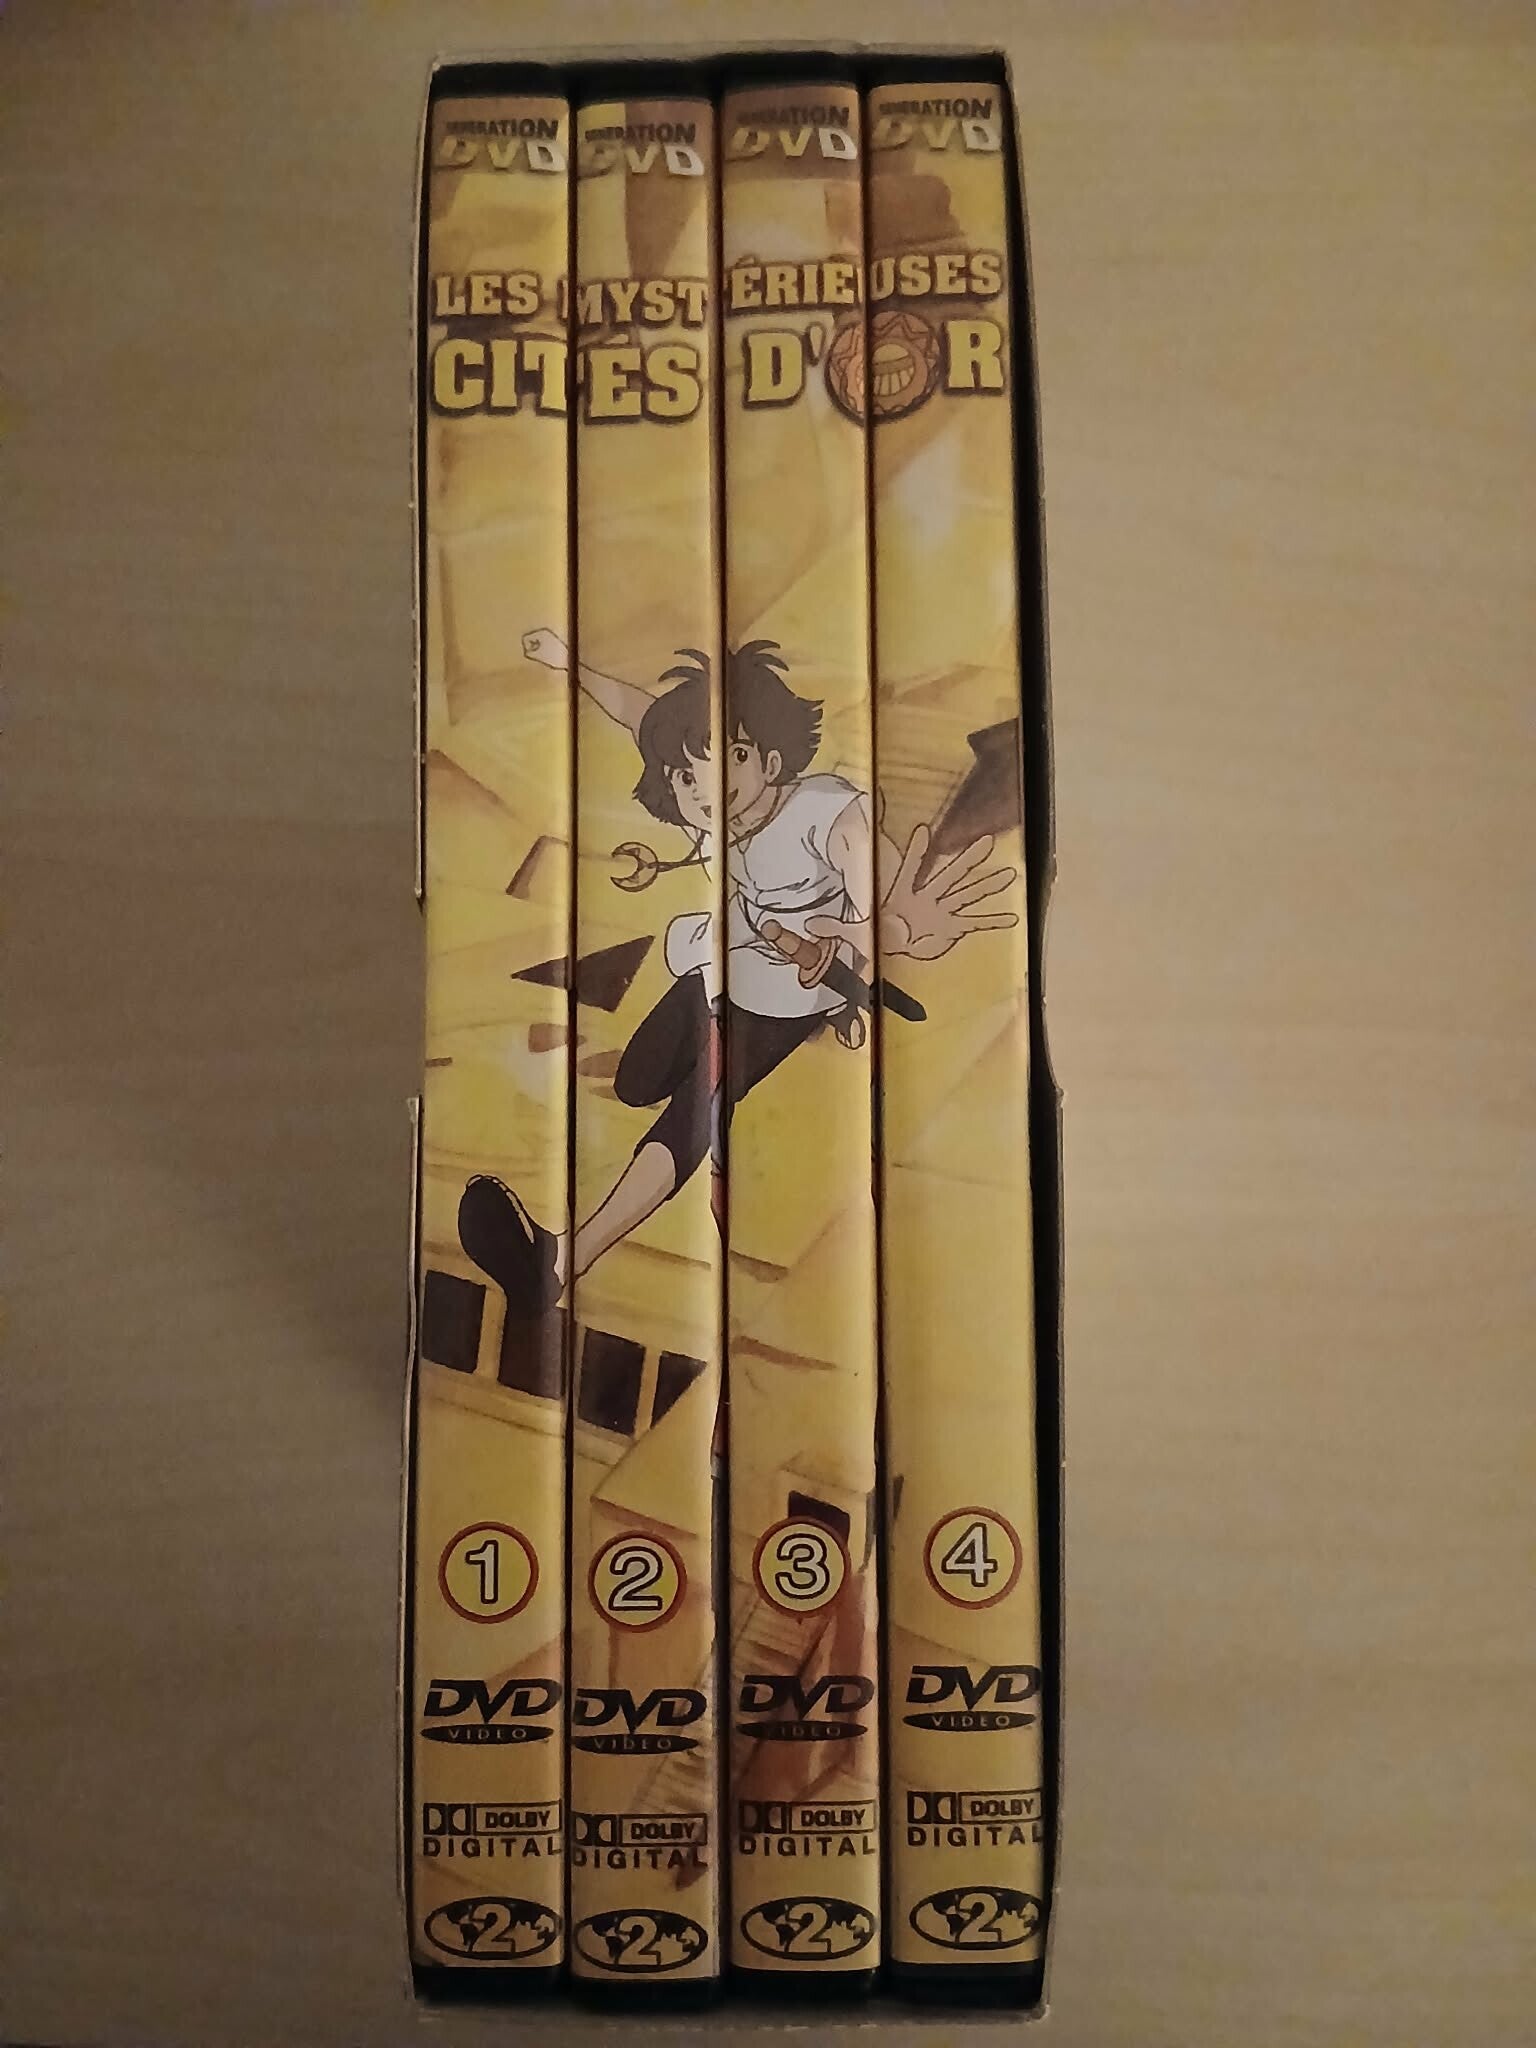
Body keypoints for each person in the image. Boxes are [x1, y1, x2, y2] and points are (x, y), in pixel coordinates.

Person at [455, 628, 1018, 1314]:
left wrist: (886, 932)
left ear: (770, 759)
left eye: (729, 756)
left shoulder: (825, 814)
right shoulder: (720, 812)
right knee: (636, 1081)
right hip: (723, 961)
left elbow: (878, 893)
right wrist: (570, 663)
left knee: (691, 1112)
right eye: (686, 774)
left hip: (781, 1002)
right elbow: (642, 716)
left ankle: (563, 1261)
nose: (704, 781)